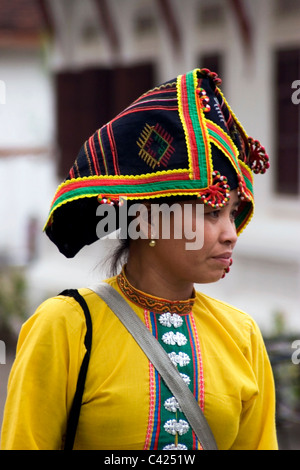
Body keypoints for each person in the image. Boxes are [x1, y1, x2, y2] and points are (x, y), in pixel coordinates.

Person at [1, 68, 277, 450]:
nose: (231, 233)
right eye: (212, 213)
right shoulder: (65, 328)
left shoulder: (242, 336)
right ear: (148, 219)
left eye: (233, 213)